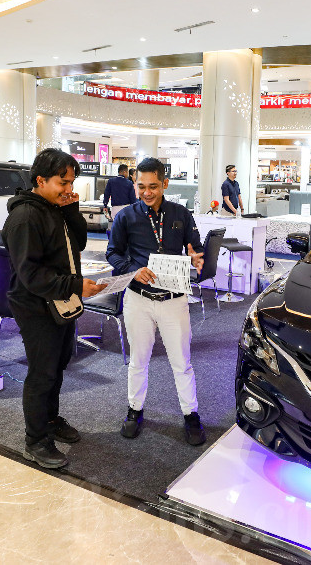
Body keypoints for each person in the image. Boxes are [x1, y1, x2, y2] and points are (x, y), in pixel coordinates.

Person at [2, 148, 105, 469]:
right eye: (63, 182)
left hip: (59, 300)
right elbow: (30, 274)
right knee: (42, 372)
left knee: (58, 365)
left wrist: (71, 208)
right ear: (40, 180)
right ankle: (35, 440)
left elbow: (79, 244)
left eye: (72, 182)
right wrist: (75, 286)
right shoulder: (25, 217)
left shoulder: (54, 207)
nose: (69, 188)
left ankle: (50, 420)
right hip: (34, 305)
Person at [106, 157, 207, 446]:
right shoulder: (126, 216)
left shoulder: (180, 214)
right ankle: (134, 411)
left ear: (164, 183)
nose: (147, 192)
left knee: (182, 362)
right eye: (141, 187)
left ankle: (191, 415)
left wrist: (197, 257)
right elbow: (113, 254)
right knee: (138, 360)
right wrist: (131, 270)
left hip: (174, 300)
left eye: (153, 186)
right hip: (138, 299)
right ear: (134, 185)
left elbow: (195, 248)